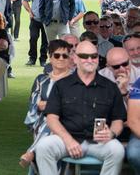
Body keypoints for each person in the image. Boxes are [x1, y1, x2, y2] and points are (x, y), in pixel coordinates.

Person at [35, 41, 126, 175]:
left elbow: (118, 119)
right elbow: (52, 118)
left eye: (94, 56)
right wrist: (69, 140)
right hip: (66, 139)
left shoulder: (110, 87)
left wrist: (111, 133)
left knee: (117, 150)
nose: (90, 60)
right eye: (84, 56)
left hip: (99, 142)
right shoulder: (61, 86)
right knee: (43, 146)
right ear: (75, 58)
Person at [19, 40, 73, 168]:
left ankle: (31, 152)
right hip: (41, 121)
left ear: (69, 58)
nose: (61, 58)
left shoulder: (74, 81)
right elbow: (35, 104)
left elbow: (72, 106)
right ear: (50, 57)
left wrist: (48, 105)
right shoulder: (41, 80)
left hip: (68, 124)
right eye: (57, 55)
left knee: (51, 122)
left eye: (65, 55)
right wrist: (56, 106)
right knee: (49, 122)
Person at [23, 0, 50, 66]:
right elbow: (24, 0)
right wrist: (30, 12)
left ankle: (43, 60)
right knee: (33, 38)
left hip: (47, 20)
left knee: (45, 41)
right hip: (35, 19)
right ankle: (32, 59)